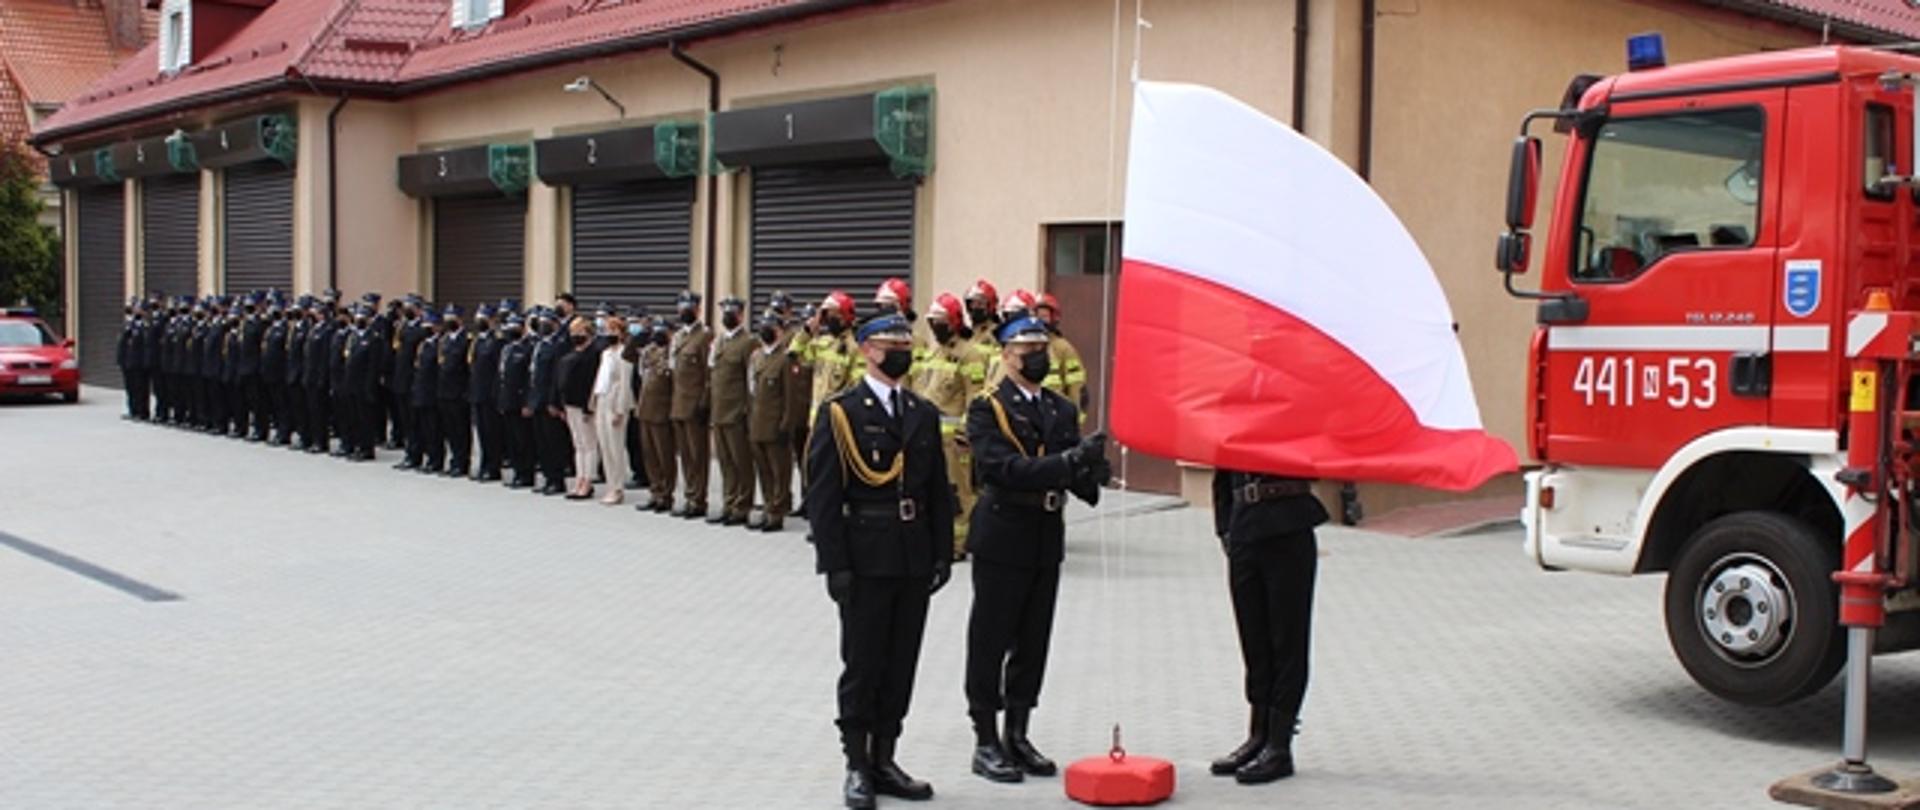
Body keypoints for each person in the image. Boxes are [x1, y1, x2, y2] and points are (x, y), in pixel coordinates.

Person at [806, 313, 953, 810]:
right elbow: (824, 497)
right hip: (866, 555)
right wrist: (835, 564)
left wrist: (941, 551)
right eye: (892, 343)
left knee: (900, 663)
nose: (902, 350)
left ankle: (886, 758)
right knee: (863, 664)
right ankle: (856, 764)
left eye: (905, 342)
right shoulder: (841, 413)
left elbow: (935, 487)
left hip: (912, 555)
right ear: (868, 350)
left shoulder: (922, 411)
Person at [962, 316, 1109, 784]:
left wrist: (1091, 473)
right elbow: (1001, 468)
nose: (1037, 357)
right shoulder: (988, 408)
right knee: (991, 638)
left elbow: (1070, 470)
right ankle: (985, 738)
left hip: (1046, 532)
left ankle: (1019, 732)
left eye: (1041, 348)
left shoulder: (1060, 409)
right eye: (1027, 351)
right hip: (1004, 529)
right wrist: (1065, 463)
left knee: (1033, 639)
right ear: (1005, 355)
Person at [1209, 467, 1326, 784]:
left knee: (1287, 639)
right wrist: (1225, 527)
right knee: (1253, 639)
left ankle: (1279, 745)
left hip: (1287, 527)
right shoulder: (1235, 420)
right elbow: (1222, 470)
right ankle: (1258, 735)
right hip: (1244, 527)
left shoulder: (1291, 416)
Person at [908, 293, 987, 561]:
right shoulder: (933, 353)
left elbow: (974, 399)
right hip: (929, 441)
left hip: (955, 443)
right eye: (932, 321)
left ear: (954, 321)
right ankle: (939, 539)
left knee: (960, 493)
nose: (935, 326)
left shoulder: (969, 355)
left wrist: (966, 435)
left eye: (940, 321)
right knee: (935, 492)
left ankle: (960, 544)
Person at [708, 296, 756, 526]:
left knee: (741, 461)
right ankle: (728, 503)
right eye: (725, 312)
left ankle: (742, 505)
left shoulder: (748, 342)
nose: (727, 316)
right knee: (725, 461)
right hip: (719, 410)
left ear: (741, 315)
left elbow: (751, 380)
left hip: (737, 411)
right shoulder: (719, 341)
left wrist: (748, 410)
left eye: (732, 312)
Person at [747, 312, 793, 533]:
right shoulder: (756, 356)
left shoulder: (785, 358)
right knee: (763, 470)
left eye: (770, 326)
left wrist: (786, 423)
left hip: (775, 424)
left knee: (779, 471)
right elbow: (751, 390)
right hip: (757, 422)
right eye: (762, 325)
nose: (765, 329)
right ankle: (767, 506)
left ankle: (777, 513)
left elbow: (790, 396)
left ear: (779, 330)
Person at [669, 290, 712, 519]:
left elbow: (709, 373)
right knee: (685, 455)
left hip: (695, 405)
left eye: (689, 306)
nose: (684, 310)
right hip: (678, 404)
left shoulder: (705, 336)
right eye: (681, 305)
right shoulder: (677, 337)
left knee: (698, 455)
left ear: (698, 309)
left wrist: (704, 403)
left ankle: (698, 500)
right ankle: (689, 495)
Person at [591, 314, 636, 505]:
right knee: (605, 447)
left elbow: (625, 383)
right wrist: (593, 400)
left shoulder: (624, 354)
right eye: (607, 330)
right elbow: (600, 378)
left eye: (614, 330)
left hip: (615, 401)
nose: (610, 334)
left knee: (615, 446)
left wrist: (620, 409)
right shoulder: (605, 353)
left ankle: (617, 487)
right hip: (602, 399)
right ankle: (610, 485)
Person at [557, 315, 602, 501]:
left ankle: (588, 482)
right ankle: (579, 479)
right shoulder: (571, 352)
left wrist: (588, 407)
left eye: (579, 332)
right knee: (578, 445)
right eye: (573, 332)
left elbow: (591, 383)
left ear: (589, 333)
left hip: (584, 405)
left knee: (589, 445)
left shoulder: (593, 354)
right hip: (570, 404)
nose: (575, 335)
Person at [528, 309, 569, 496]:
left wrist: (555, 402)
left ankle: (556, 480)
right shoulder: (538, 344)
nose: (543, 325)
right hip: (536, 399)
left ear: (555, 324)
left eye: (547, 322)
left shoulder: (559, 346)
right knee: (541, 442)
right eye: (541, 321)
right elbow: (532, 375)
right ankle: (546, 476)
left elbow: (556, 377)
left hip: (549, 401)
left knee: (554, 442)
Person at [636, 321, 677, 513]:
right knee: (649, 454)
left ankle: (666, 495)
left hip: (663, 411)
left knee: (664, 455)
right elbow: (639, 371)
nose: (658, 334)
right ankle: (655, 491)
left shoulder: (674, 352)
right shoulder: (648, 352)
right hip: (645, 409)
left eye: (663, 330)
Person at [496, 312, 536, 489]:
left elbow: (529, 379)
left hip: (520, 400)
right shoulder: (507, 348)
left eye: (515, 327)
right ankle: (517, 471)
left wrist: (528, 402)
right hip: (508, 398)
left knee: (523, 440)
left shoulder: (528, 348)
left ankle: (526, 474)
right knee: (511, 438)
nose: (511, 330)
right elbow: (501, 376)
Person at [469, 304, 506, 482]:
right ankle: (484, 464)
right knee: (482, 432)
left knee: (493, 432)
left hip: (490, 394)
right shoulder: (478, 340)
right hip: (477, 391)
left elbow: (498, 370)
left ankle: (493, 467)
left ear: (492, 320)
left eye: (483, 318)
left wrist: (495, 393)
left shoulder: (497, 341)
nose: (479, 321)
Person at [1032, 294, 1088, 410]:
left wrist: (1073, 423)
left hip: (1055, 417)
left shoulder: (1063, 348)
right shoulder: (1021, 347)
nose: (1038, 321)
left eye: (1044, 316)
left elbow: (1077, 388)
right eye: (1035, 316)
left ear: (1054, 318)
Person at [437, 304, 474, 478]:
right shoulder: (444, 339)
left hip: (459, 391)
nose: (448, 320)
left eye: (451, 317)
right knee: (449, 429)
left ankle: (462, 462)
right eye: (446, 317)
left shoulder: (467, 340)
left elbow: (469, 368)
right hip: (444, 391)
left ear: (460, 319)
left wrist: (466, 391)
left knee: (461, 429)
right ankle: (453, 460)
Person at [391, 296, 427, 462]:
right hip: (401, 378)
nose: (407, 310)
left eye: (410, 307)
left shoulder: (422, 330)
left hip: (413, 379)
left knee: (415, 421)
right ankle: (409, 451)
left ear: (418, 309)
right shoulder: (403, 327)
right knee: (405, 419)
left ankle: (416, 453)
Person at [409, 309, 444, 474]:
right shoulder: (423, 344)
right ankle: (422, 457)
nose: (426, 328)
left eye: (429, 325)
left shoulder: (440, 344)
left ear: (437, 326)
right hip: (420, 391)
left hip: (432, 393)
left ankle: (435, 460)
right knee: (420, 427)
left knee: (433, 429)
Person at [117, 299, 151, 420]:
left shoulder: (145, 326)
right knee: (130, 388)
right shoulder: (129, 325)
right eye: (135, 308)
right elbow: (123, 343)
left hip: (140, 362)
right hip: (128, 362)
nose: (136, 311)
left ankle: (142, 412)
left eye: (139, 309)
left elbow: (147, 345)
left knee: (141, 388)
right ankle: (133, 410)